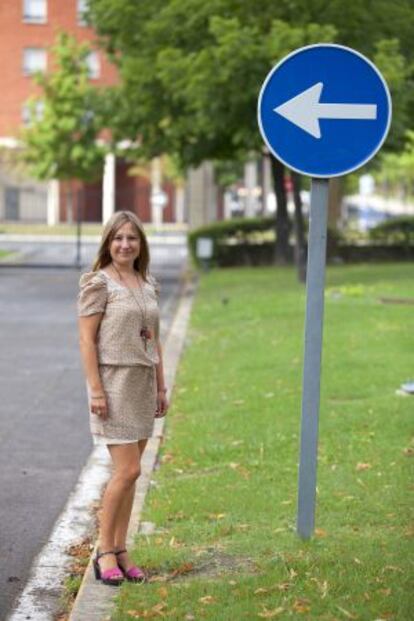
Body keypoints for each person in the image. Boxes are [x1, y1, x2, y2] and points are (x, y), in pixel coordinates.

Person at [77, 210, 169, 586]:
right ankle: (104, 551)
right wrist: (96, 390)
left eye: (132, 238)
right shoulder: (98, 283)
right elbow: (87, 340)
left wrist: (161, 386)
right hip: (113, 383)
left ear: (140, 244)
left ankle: (121, 548)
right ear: (108, 243)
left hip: (143, 382)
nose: (125, 244)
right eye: (118, 238)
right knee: (126, 470)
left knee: (132, 476)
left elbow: (155, 338)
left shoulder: (147, 284)